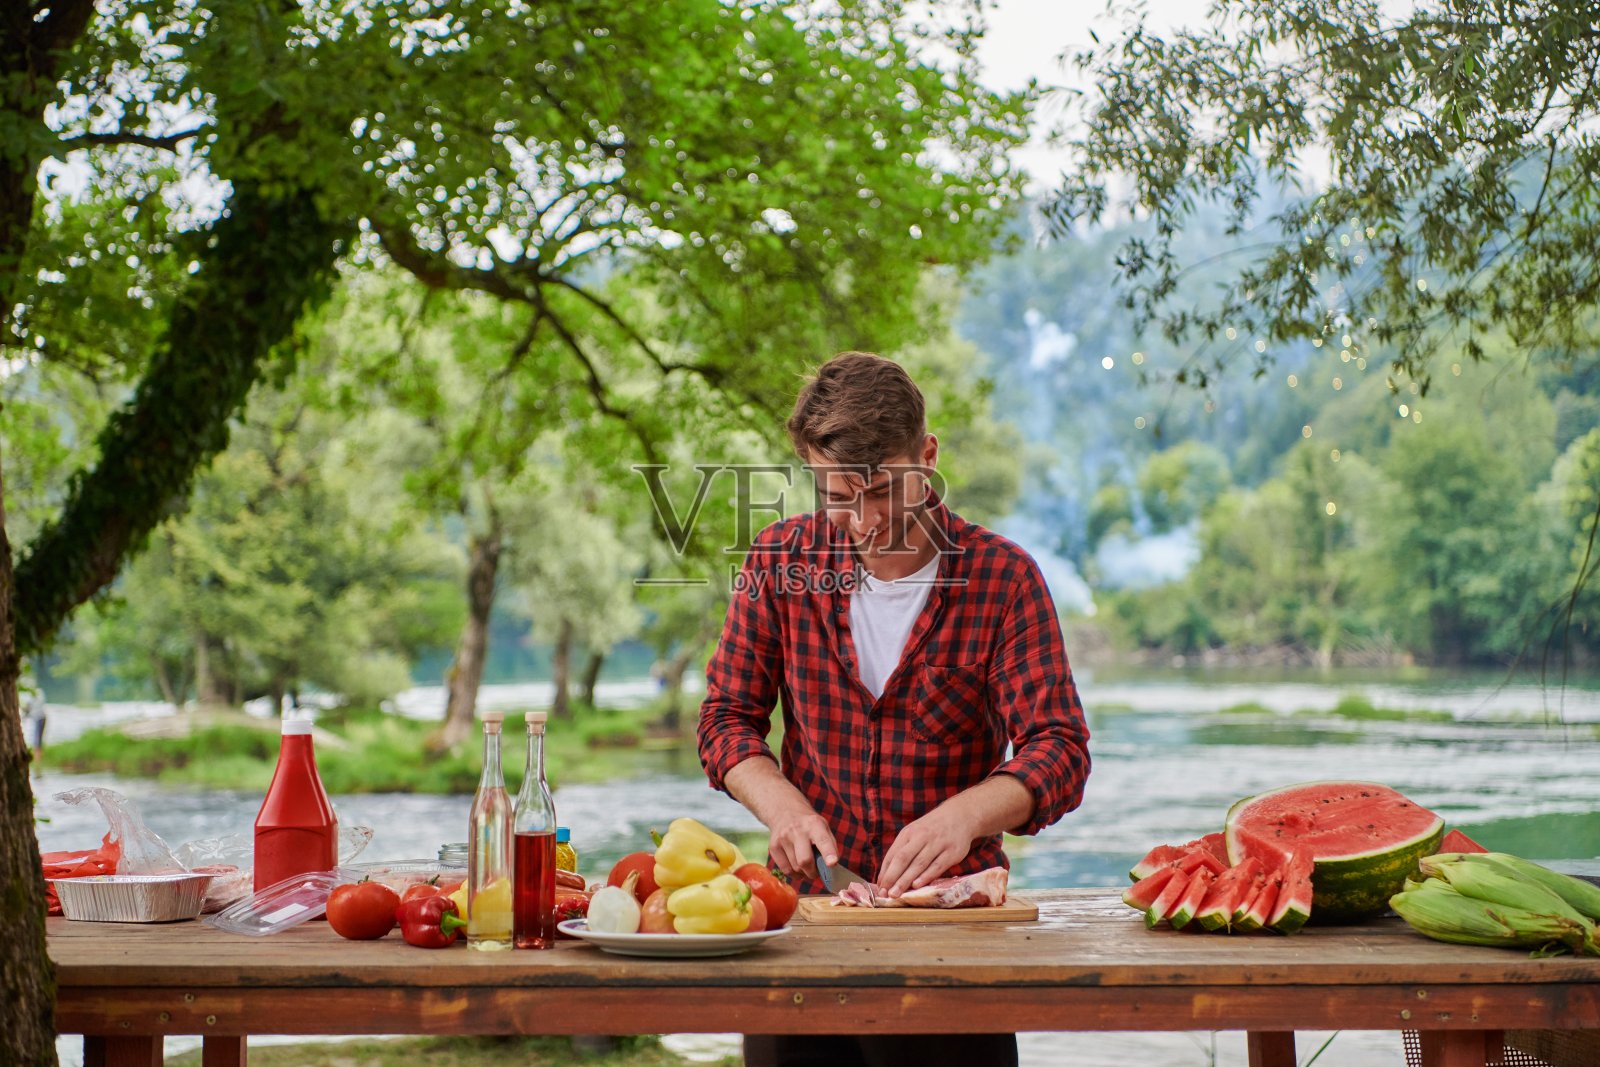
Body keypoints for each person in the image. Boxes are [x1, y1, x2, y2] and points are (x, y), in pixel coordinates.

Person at [696, 352, 1092, 1067]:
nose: (864, 519)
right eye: (838, 496)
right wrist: (784, 809)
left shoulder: (1003, 577)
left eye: (882, 489)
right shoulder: (779, 561)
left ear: (928, 456)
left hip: (956, 947)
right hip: (803, 927)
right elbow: (725, 717)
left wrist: (966, 815)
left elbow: (1060, 747)